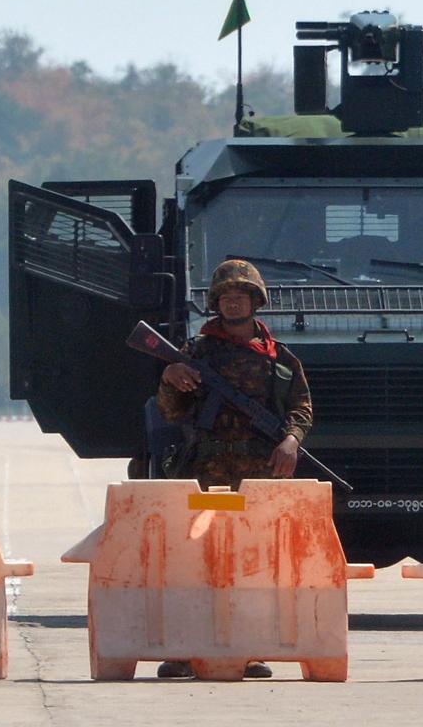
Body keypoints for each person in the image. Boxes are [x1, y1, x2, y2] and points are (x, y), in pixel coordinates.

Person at [153, 258, 313, 680]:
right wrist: (171, 376)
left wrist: (291, 441)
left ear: (256, 301)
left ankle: (250, 651)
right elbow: (172, 412)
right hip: (207, 472)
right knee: (195, 562)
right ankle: (184, 652)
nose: (234, 304)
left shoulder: (279, 359)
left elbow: (301, 408)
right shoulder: (198, 352)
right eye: (226, 297)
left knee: (253, 564)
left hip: (257, 475)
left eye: (241, 297)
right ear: (216, 303)